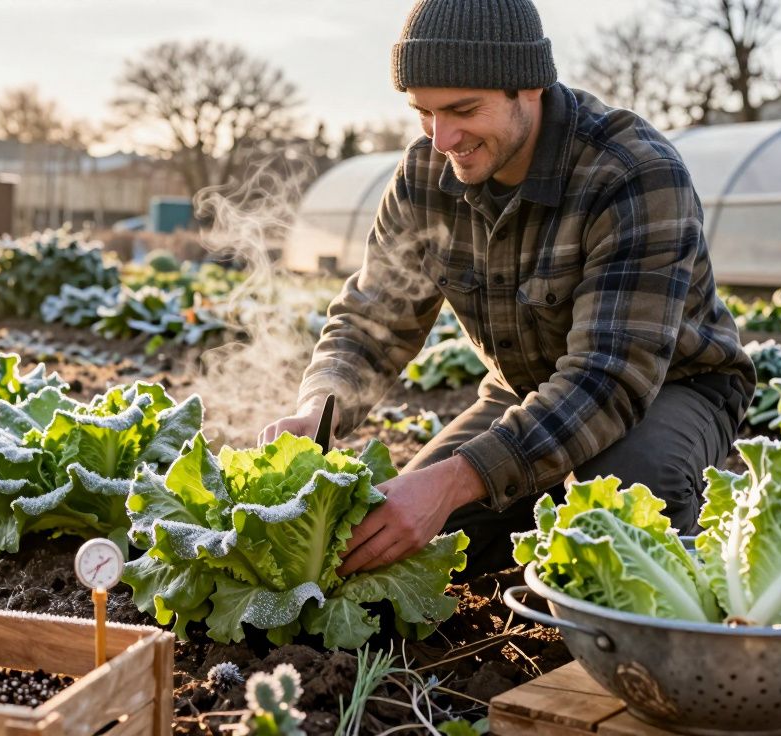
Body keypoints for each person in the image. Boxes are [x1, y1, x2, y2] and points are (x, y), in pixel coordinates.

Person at [260, 0, 756, 579]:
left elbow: (609, 379)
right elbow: (371, 321)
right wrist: (319, 409)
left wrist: (453, 481)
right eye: (424, 112)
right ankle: (531, 520)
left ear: (530, 87)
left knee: (623, 514)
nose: (442, 137)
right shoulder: (425, 176)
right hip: (522, 391)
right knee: (391, 547)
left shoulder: (630, 173)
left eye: (463, 109)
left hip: (669, 388)